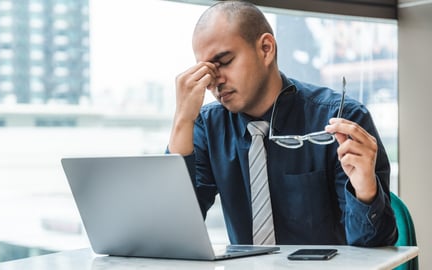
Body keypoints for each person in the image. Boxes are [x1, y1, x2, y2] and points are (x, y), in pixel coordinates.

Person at [167, 1, 397, 246]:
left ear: (266, 49)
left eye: (223, 62)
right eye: (207, 71)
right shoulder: (207, 126)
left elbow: (374, 246)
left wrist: (366, 192)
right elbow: (172, 230)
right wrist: (182, 119)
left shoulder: (341, 118)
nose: (214, 82)